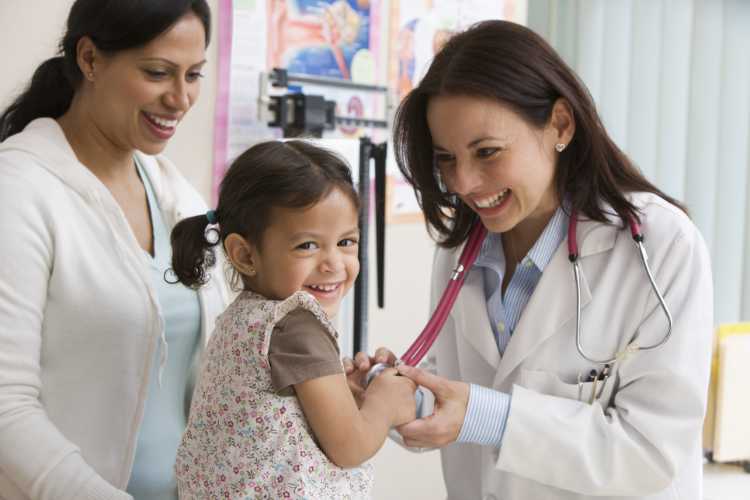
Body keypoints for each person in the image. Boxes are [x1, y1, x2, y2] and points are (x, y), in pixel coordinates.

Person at [346, 20, 713, 500]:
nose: (464, 183)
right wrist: (396, 395)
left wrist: (484, 415)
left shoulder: (659, 247)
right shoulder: (462, 252)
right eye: (446, 159)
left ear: (560, 124)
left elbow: (650, 451)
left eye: (487, 152)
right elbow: (455, 396)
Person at [0, 2, 229, 499]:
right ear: (90, 59)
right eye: (157, 73)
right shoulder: (17, 191)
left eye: (194, 75)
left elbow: (210, 366)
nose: (181, 98)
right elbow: (6, 405)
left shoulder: (176, 194)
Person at [170, 140, 416, 499]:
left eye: (346, 242)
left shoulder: (243, 315)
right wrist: (385, 401)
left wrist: (348, 394)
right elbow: (349, 445)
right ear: (244, 254)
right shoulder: (296, 324)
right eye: (307, 246)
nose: (333, 263)